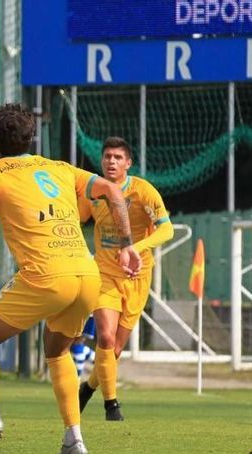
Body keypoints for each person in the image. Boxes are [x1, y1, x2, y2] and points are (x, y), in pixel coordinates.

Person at [0, 103, 140, 454]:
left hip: (47, 275)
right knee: (57, 350)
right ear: (31, 137)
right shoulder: (60, 168)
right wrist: (127, 246)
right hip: (87, 274)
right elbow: (114, 193)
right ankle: (74, 439)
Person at [77, 136, 173, 421]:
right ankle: (112, 405)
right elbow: (74, 222)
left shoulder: (143, 192)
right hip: (104, 274)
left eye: (118, 157)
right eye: (107, 156)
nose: (111, 161)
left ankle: (89, 387)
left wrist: (135, 248)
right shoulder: (92, 193)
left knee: (115, 350)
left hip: (138, 277)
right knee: (105, 337)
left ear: (128, 163)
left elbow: (167, 230)